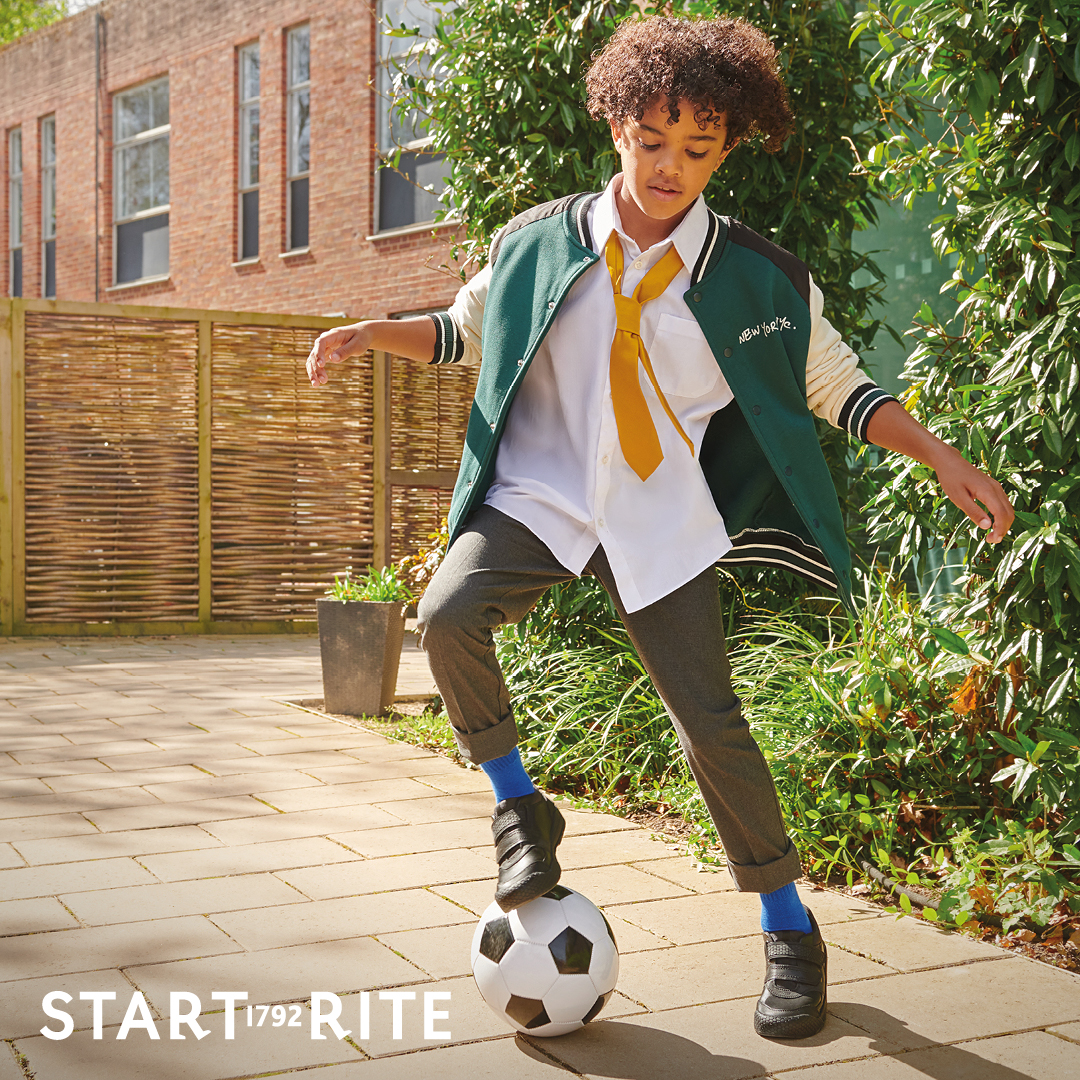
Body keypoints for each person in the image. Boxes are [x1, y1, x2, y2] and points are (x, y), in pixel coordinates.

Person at [305, 14, 1013, 1039]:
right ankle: (519, 805)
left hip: (657, 513)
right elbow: (466, 332)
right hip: (543, 497)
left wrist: (943, 455)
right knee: (448, 613)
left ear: (727, 149)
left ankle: (789, 928)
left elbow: (841, 389)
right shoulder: (538, 242)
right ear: (616, 128)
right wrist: (376, 331)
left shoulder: (758, 278)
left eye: (698, 146)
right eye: (651, 140)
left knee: (709, 724)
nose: (670, 166)